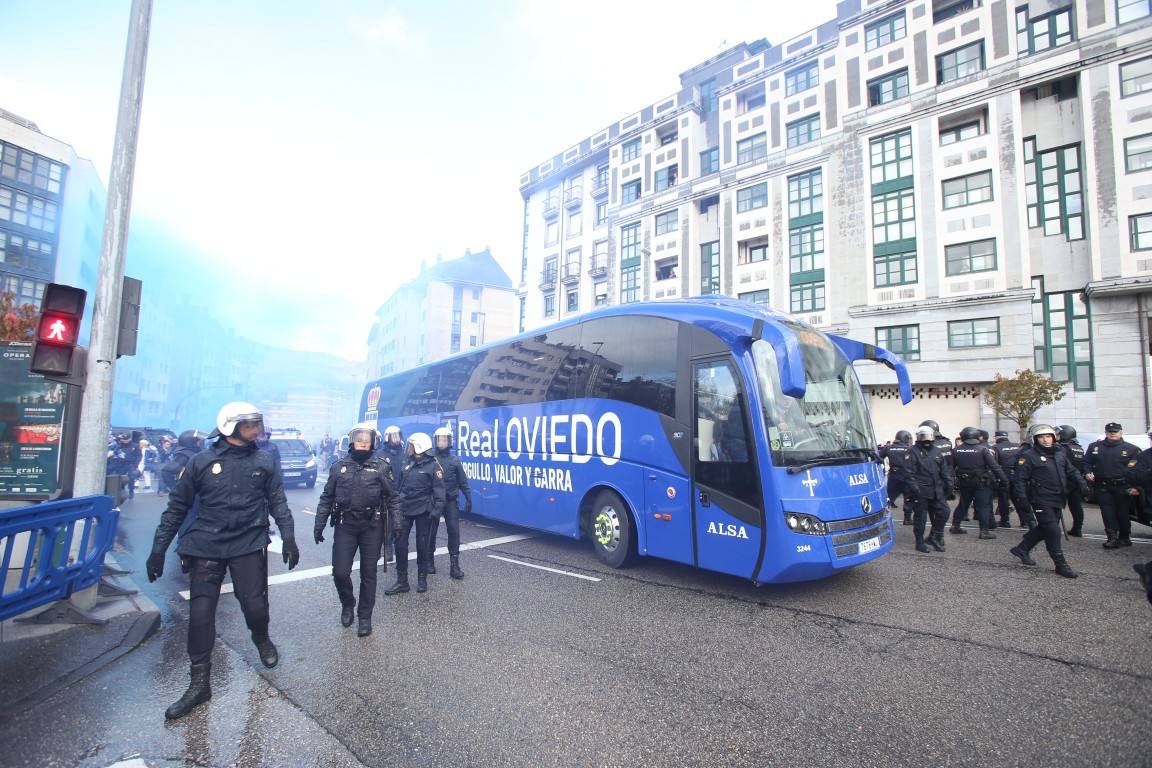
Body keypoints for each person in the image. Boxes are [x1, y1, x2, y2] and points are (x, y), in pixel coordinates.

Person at [146, 402, 299, 720]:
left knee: (254, 606)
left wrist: (289, 536)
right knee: (200, 614)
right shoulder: (201, 462)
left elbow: (278, 502)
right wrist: (158, 549)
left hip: (248, 543)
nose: (256, 430)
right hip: (205, 545)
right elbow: (176, 507)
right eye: (249, 425)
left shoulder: (264, 460)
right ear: (230, 427)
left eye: (257, 423)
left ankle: (261, 637)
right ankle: (199, 683)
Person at [313, 423, 399, 637]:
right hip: (346, 524)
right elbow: (326, 498)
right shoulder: (338, 466)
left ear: (372, 442)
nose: (362, 441)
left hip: (372, 525)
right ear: (352, 441)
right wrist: (319, 523)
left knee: (369, 573)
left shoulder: (381, 467)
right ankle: (347, 603)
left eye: (366, 438)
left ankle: (364, 617)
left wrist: (397, 524)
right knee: (340, 572)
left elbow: (393, 498)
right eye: (358, 438)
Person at [1009, 424, 1089, 579]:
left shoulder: (1060, 452)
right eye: (1041, 437)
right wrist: (1022, 499)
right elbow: (1020, 479)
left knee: (1045, 527)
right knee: (1053, 529)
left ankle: (1022, 548)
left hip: (1058, 497)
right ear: (1035, 439)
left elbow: (1071, 471)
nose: (1045, 440)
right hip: (1040, 498)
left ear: (1053, 437)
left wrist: (1083, 485)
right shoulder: (1029, 456)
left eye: (1048, 437)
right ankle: (1060, 564)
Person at [384, 432, 444, 595]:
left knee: (422, 545)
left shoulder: (433, 465)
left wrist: (435, 512)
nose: (407, 448)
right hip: (405, 508)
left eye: (411, 445)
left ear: (419, 447)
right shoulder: (407, 464)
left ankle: (422, 579)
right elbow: (398, 487)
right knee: (400, 544)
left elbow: (439, 492)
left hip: (424, 511)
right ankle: (402, 581)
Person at [1084, 422, 1141, 549]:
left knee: (1122, 513)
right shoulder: (1095, 447)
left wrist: (1135, 486)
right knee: (1107, 511)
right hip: (1103, 486)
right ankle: (1112, 537)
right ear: (1106, 433)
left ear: (1121, 433)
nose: (1112, 433)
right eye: (1110, 431)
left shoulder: (1132, 449)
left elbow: (1137, 470)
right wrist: (1088, 472)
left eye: (1115, 431)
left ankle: (1125, 537)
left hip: (1123, 486)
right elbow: (1086, 462)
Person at [428, 426, 472, 580]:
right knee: (431, 531)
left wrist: (468, 497)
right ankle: (429, 561)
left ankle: (455, 565)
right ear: (436, 440)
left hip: (451, 501)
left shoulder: (454, 460)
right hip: (434, 501)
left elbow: (463, 481)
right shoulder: (430, 458)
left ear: (449, 441)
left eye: (445, 439)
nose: (442, 442)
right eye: (440, 439)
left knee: (454, 531)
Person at [904, 425, 955, 553]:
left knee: (944, 512)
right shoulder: (912, 451)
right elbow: (908, 473)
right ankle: (919, 542)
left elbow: (944, 471)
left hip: (936, 490)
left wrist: (949, 487)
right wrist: (915, 489)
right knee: (920, 518)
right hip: (921, 490)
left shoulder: (937, 451)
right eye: (924, 438)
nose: (927, 441)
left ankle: (934, 536)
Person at [950, 427, 1008, 539]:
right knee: (984, 506)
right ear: (977, 437)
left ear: (963, 437)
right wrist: (1004, 481)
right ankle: (984, 531)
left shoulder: (956, 450)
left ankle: (955, 526)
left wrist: (952, 482)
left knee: (963, 504)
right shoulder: (982, 450)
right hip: (981, 482)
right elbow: (995, 467)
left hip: (964, 482)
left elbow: (950, 468)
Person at [376, 425, 405, 564]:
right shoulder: (380, 454)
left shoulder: (404, 453)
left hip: (402, 492)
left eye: (398, 435)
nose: (396, 439)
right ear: (387, 438)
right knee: (387, 521)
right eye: (393, 436)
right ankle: (388, 547)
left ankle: (399, 544)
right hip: (387, 493)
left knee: (401, 522)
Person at [1057, 425, 1087, 537]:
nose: (1056, 436)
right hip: (1076, 481)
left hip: (1064, 480)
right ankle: (1077, 528)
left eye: (1058, 434)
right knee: (1076, 506)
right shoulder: (1078, 448)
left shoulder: (1061, 448)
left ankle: (1052, 527)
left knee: (1056, 504)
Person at [879, 430, 913, 524]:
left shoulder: (889, 448)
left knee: (888, 498)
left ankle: (881, 518)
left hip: (894, 476)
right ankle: (907, 519)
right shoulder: (909, 449)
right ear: (904, 438)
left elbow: (879, 457)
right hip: (907, 477)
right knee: (908, 499)